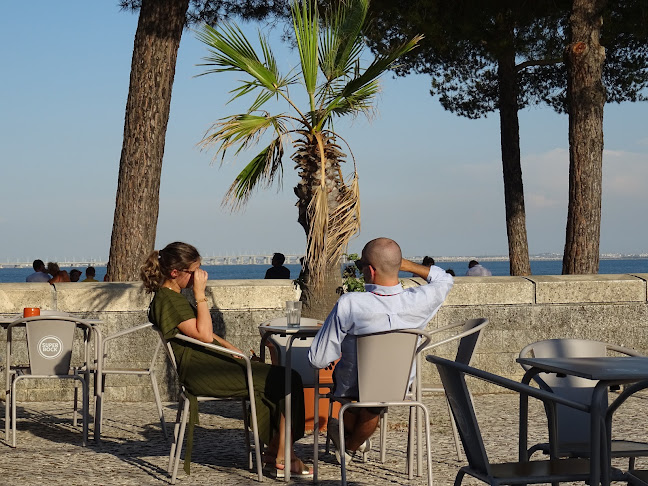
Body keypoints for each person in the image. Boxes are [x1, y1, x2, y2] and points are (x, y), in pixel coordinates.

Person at [141, 242, 311, 478]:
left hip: (211, 365)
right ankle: (284, 455)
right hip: (203, 373)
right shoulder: (167, 300)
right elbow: (203, 334)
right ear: (175, 273)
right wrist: (200, 295)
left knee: (277, 378)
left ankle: (275, 452)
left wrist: (232, 349)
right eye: (195, 272)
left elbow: (203, 335)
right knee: (288, 378)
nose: (199, 277)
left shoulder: (172, 297)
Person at [308, 237, 453, 464]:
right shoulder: (421, 300)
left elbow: (318, 360)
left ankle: (348, 445)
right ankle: (351, 445)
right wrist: (402, 264)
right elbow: (445, 279)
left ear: (370, 270)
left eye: (360, 266)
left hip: (352, 388)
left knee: (352, 396)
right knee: (374, 402)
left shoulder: (351, 304)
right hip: (398, 386)